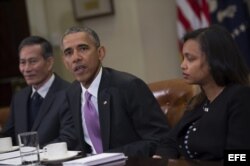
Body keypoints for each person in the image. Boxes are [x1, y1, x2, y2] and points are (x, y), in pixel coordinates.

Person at [60, 26, 169, 157]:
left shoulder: (129, 87)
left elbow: (160, 139)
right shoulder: (72, 93)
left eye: (83, 48)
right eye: (68, 53)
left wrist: (107, 157)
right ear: (65, 62)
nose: (76, 58)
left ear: (100, 53)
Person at [155, 25, 250, 160]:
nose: (183, 65)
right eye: (183, 58)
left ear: (215, 60)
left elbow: (239, 156)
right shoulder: (198, 102)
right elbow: (169, 141)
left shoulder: (240, 98)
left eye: (190, 58)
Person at [1, 36, 76, 149]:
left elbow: (69, 139)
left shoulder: (70, 93)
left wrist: (35, 155)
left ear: (49, 62)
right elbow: (8, 137)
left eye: (32, 61)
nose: (26, 69)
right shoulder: (19, 98)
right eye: (22, 62)